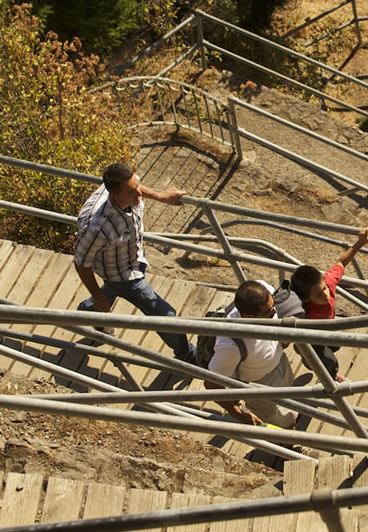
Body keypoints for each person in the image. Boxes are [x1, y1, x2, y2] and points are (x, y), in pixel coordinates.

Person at [73, 162, 195, 362]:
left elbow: (136, 186)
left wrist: (161, 196)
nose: (138, 195)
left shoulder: (124, 187)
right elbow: (80, 261)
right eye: (132, 192)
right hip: (121, 275)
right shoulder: (98, 228)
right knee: (166, 316)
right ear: (114, 196)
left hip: (132, 257)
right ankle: (188, 355)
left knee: (109, 292)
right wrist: (96, 294)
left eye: (137, 186)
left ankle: (90, 310)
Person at [205, 280, 297, 427]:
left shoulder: (262, 291)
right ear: (248, 317)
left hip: (281, 364)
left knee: (292, 398)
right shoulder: (230, 346)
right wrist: (239, 415)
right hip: (259, 387)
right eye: (269, 312)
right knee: (280, 421)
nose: (275, 312)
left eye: (273, 306)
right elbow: (211, 384)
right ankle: (290, 444)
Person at [290, 227, 368, 381]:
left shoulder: (328, 282)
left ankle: (309, 359)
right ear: (307, 298)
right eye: (318, 294)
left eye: (323, 288)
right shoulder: (306, 315)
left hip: (327, 329)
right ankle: (331, 379)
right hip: (311, 338)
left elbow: (341, 262)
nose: (326, 294)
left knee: (336, 344)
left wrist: (360, 243)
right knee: (329, 361)